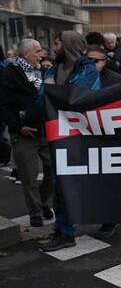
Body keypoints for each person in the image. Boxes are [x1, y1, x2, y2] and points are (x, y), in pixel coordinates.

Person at [41, 31, 101, 251]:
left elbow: (78, 97)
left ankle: (102, 219)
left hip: (78, 137)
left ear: (67, 45)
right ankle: (63, 230)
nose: (53, 48)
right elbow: (42, 100)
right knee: (59, 185)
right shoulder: (53, 68)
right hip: (55, 134)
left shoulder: (88, 69)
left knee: (77, 183)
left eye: (57, 43)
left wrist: (51, 89)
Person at [0, 39, 55, 228]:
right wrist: (17, 126)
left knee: (54, 170)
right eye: (38, 51)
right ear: (26, 54)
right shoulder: (9, 74)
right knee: (29, 176)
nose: (42, 54)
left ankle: (41, 200)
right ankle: (36, 212)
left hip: (46, 131)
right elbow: (3, 105)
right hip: (24, 134)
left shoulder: (45, 71)